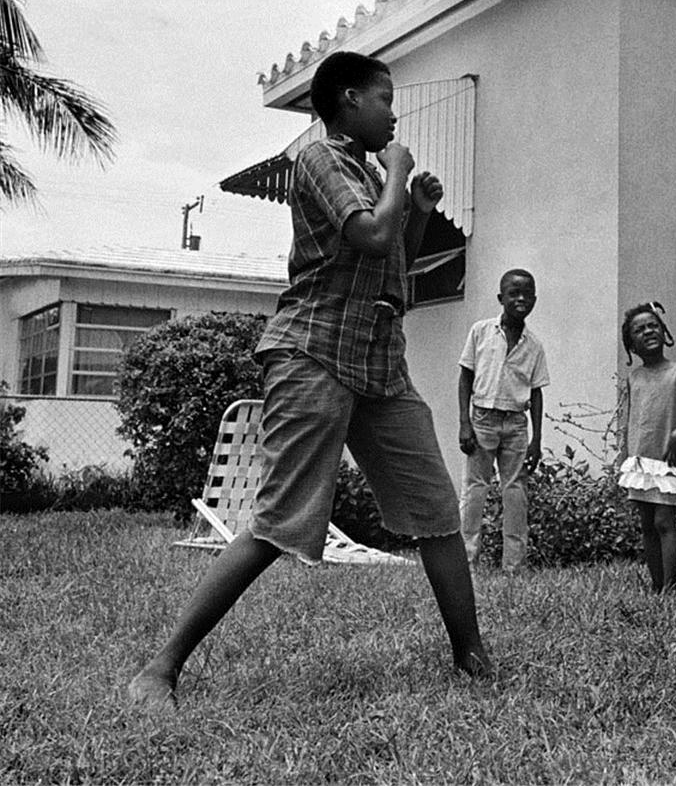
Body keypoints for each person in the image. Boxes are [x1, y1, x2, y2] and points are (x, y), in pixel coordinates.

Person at [128, 51, 492, 709]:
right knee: (279, 520)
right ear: (349, 100)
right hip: (313, 354)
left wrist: (414, 207)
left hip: (380, 365)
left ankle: (472, 657)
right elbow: (369, 236)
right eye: (384, 98)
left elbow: (391, 264)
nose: (393, 112)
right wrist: (399, 174)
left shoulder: (365, 173)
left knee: (436, 511)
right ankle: (159, 669)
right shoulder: (321, 159)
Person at [458, 269, 549, 574]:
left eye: (527, 294)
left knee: (516, 492)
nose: (521, 298)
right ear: (501, 298)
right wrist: (464, 423)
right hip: (482, 418)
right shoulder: (481, 332)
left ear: (534, 299)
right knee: (475, 489)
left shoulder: (534, 345)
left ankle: (514, 565)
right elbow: (466, 377)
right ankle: (467, 561)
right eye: (514, 293)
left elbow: (536, 393)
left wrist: (537, 439)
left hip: (516, 424)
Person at [616, 301, 676, 593]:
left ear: (663, 330)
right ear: (631, 344)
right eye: (639, 330)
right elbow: (630, 419)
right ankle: (657, 586)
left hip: (666, 460)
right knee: (646, 524)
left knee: (664, 521)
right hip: (641, 461)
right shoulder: (634, 377)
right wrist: (625, 455)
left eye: (653, 325)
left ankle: (671, 586)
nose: (648, 332)